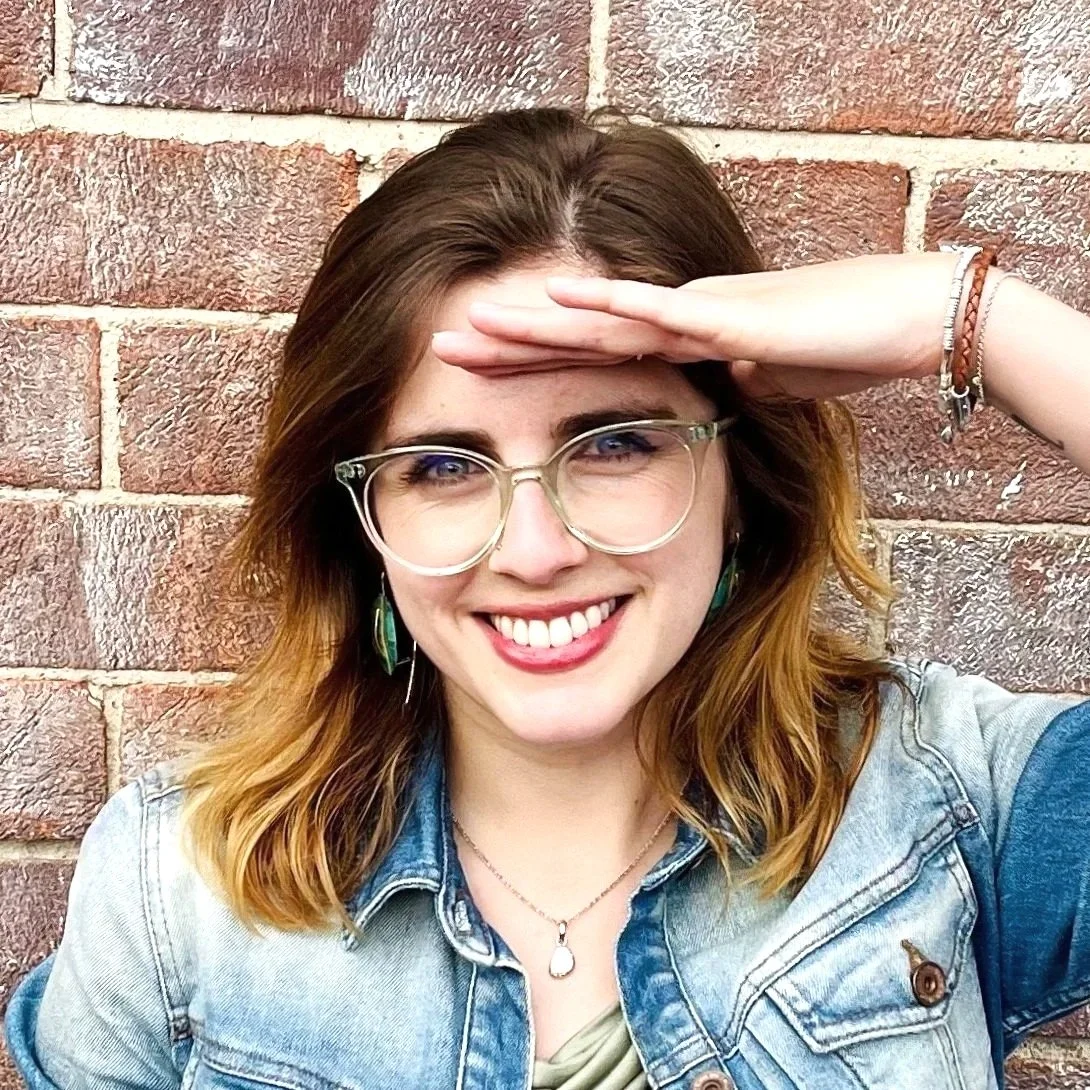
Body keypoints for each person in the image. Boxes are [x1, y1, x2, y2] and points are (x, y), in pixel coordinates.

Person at [5, 105, 1089, 1090]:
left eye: (614, 444)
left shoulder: (938, 803)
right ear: (364, 524)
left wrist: (968, 315)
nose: (533, 548)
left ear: (740, 487)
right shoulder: (175, 895)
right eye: (441, 465)